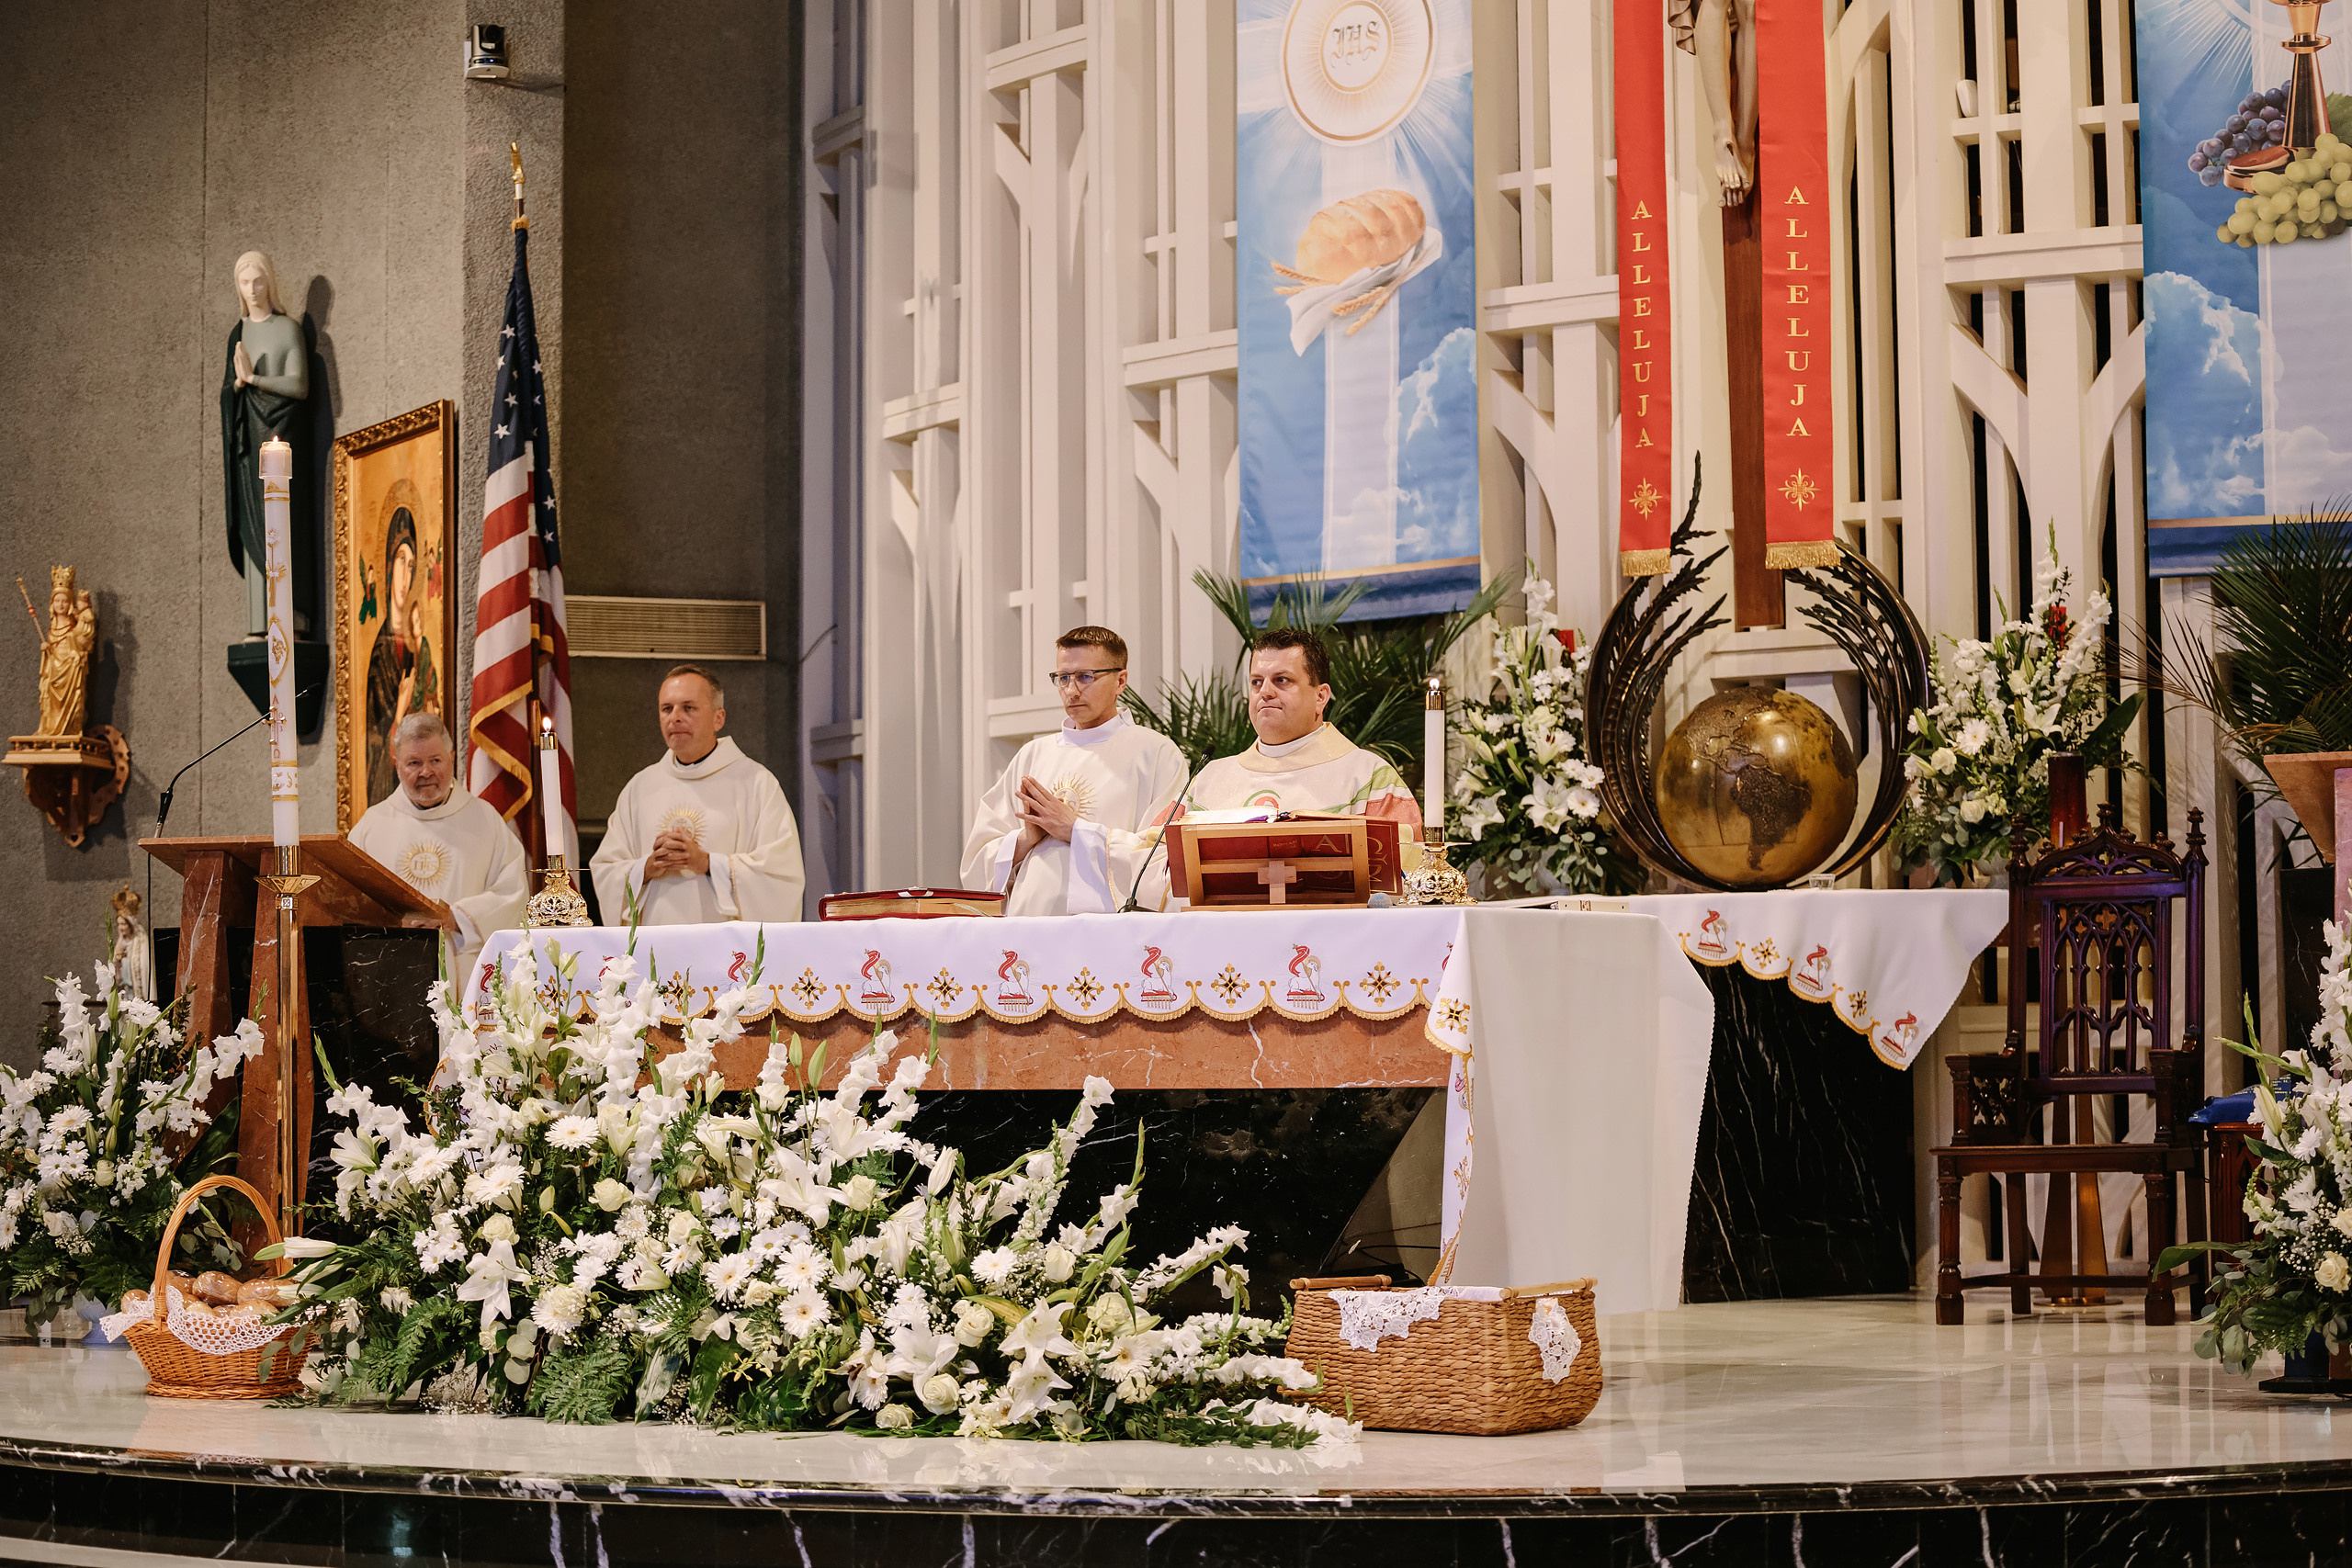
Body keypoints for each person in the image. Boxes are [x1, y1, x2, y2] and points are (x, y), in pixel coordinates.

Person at [959, 626, 1192, 915]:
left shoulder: (1156, 755)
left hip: (1106, 936)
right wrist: (1027, 838)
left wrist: (1075, 830)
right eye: (1063, 678)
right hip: (1027, 930)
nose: (1071, 690)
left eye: (1085, 677)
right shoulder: (1032, 755)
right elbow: (975, 865)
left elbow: (1162, 860)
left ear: (1121, 681)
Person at [590, 664, 806, 925]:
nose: (675, 717)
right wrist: (647, 867)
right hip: (654, 949)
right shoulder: (640, 788)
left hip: (726, 955)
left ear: (719, 718)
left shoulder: (757, 784)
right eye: (666, 709)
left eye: (688, 708)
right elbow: (605, 869)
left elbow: (781, 877)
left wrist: (706, 863)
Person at [347, 713, 529, 985]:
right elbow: (349, 902)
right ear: (396, 765)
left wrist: (456, 917)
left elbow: (513, 892)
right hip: (390, 977)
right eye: (414, 763)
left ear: (451, 757)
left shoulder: (485, 820)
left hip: (468, 977)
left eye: (435, 761)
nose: (426, 772)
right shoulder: (372, 827)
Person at [1177, 627, 1424, 826]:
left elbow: (1402, 872)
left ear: (1321, 697)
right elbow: (1151, 855)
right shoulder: (1208, 781)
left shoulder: (1368, 778)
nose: (1265, 692)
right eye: (1256, 682)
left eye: (1281, 680)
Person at [363, 507, 438, 807]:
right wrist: (399, 712)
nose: (405, 575)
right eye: (400, 561)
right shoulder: (379, 656)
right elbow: (374, 744)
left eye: (412, 564)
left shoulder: (414, 651)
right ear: (388, 567)